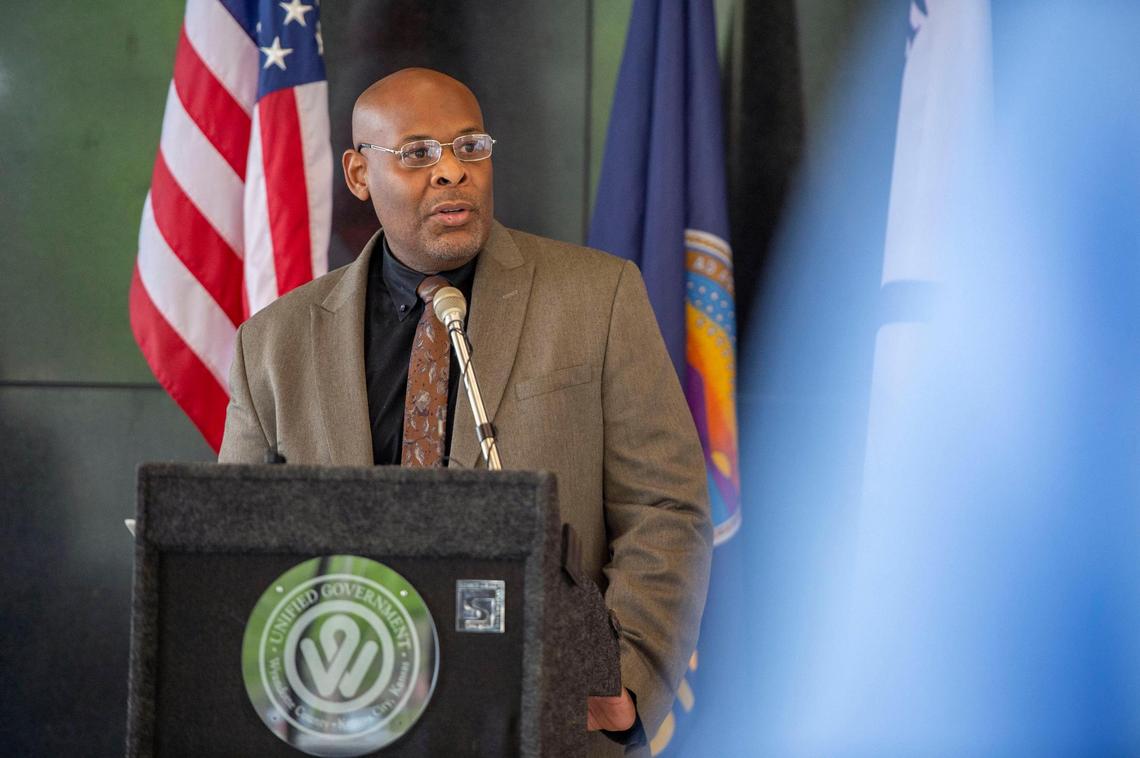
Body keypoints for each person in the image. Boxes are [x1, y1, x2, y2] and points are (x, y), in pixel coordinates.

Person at [219, 67, 711, 756]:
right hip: (350, 711)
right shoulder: (275, 343)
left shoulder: (597, 298)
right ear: (360, 175)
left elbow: (666, 504)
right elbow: (238, 547)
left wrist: (622, 680)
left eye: (470, 147)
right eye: (418, 154)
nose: (451, 171)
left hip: (537, 719)